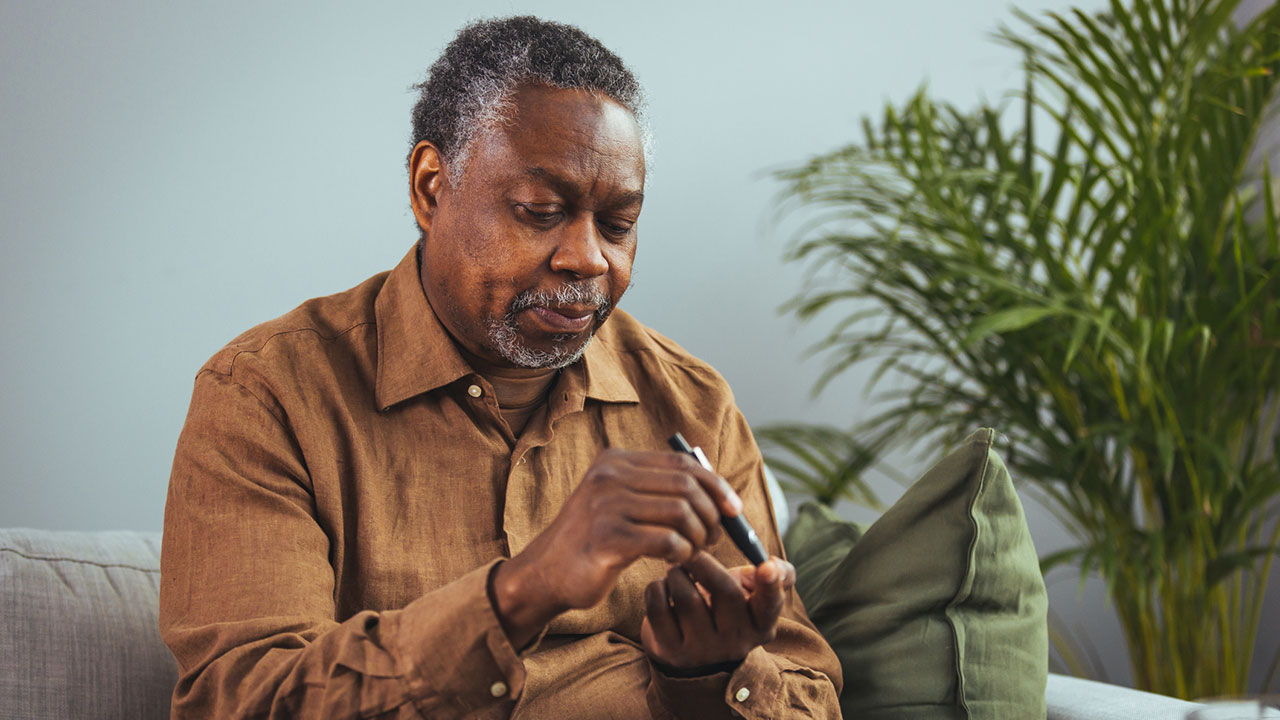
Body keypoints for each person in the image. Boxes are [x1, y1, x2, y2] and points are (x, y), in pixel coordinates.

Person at [159, 16, 841, 719]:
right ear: (431, 187)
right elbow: (238, 702)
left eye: (617, 224)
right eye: (540, 211)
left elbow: (812, 694)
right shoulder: (267, 396)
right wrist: (525, 588)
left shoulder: (691, 403)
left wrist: (709, 673)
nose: (589, 259)